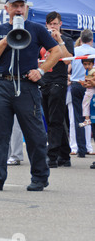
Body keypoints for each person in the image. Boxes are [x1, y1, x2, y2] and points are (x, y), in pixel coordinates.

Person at [0, 0, 62, 192]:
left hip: (27, 86)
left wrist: (41, 70)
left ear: (25, 8)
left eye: (21, 5)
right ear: (6, 8)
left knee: (35, 135)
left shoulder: (35, 29)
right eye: (14, 5)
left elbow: (57, 51)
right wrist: (5, 40)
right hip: (3, 85)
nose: (18, 9)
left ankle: (40, 177)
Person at [40, 11, 74, 168]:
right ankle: (65, 155)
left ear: (60, 24)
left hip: (58, 83)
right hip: (44, 82)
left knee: (55, 120)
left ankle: (52, 155)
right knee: (51, 120)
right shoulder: (42, 40)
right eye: (50, 24)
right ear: (46, 24)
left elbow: (68, 60)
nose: (52, 26)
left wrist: (59, 40)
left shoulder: (66, 39)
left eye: (55, 23)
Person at [69, 29, 95, 158]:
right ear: (91, 39)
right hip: (91, 86)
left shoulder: (75, 51)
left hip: (76, 84)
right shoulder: (94, 52)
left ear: (80, 38)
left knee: (78, 117)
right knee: (91, 116)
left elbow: (69, 65)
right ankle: (90, 146)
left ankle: (81, 148)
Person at [79, 58, 95, 128]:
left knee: (86, 104)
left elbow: (92, 82)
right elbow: (87, 84)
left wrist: (89, 81)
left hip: (91, 91)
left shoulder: (93, 71)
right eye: (85, 64)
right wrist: (83, 83)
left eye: (89, 64)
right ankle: (87, 119)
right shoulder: (86, 72)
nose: (87, 66)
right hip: (88, 90)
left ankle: (87, 119)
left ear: (93, 64)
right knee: (85, 104)